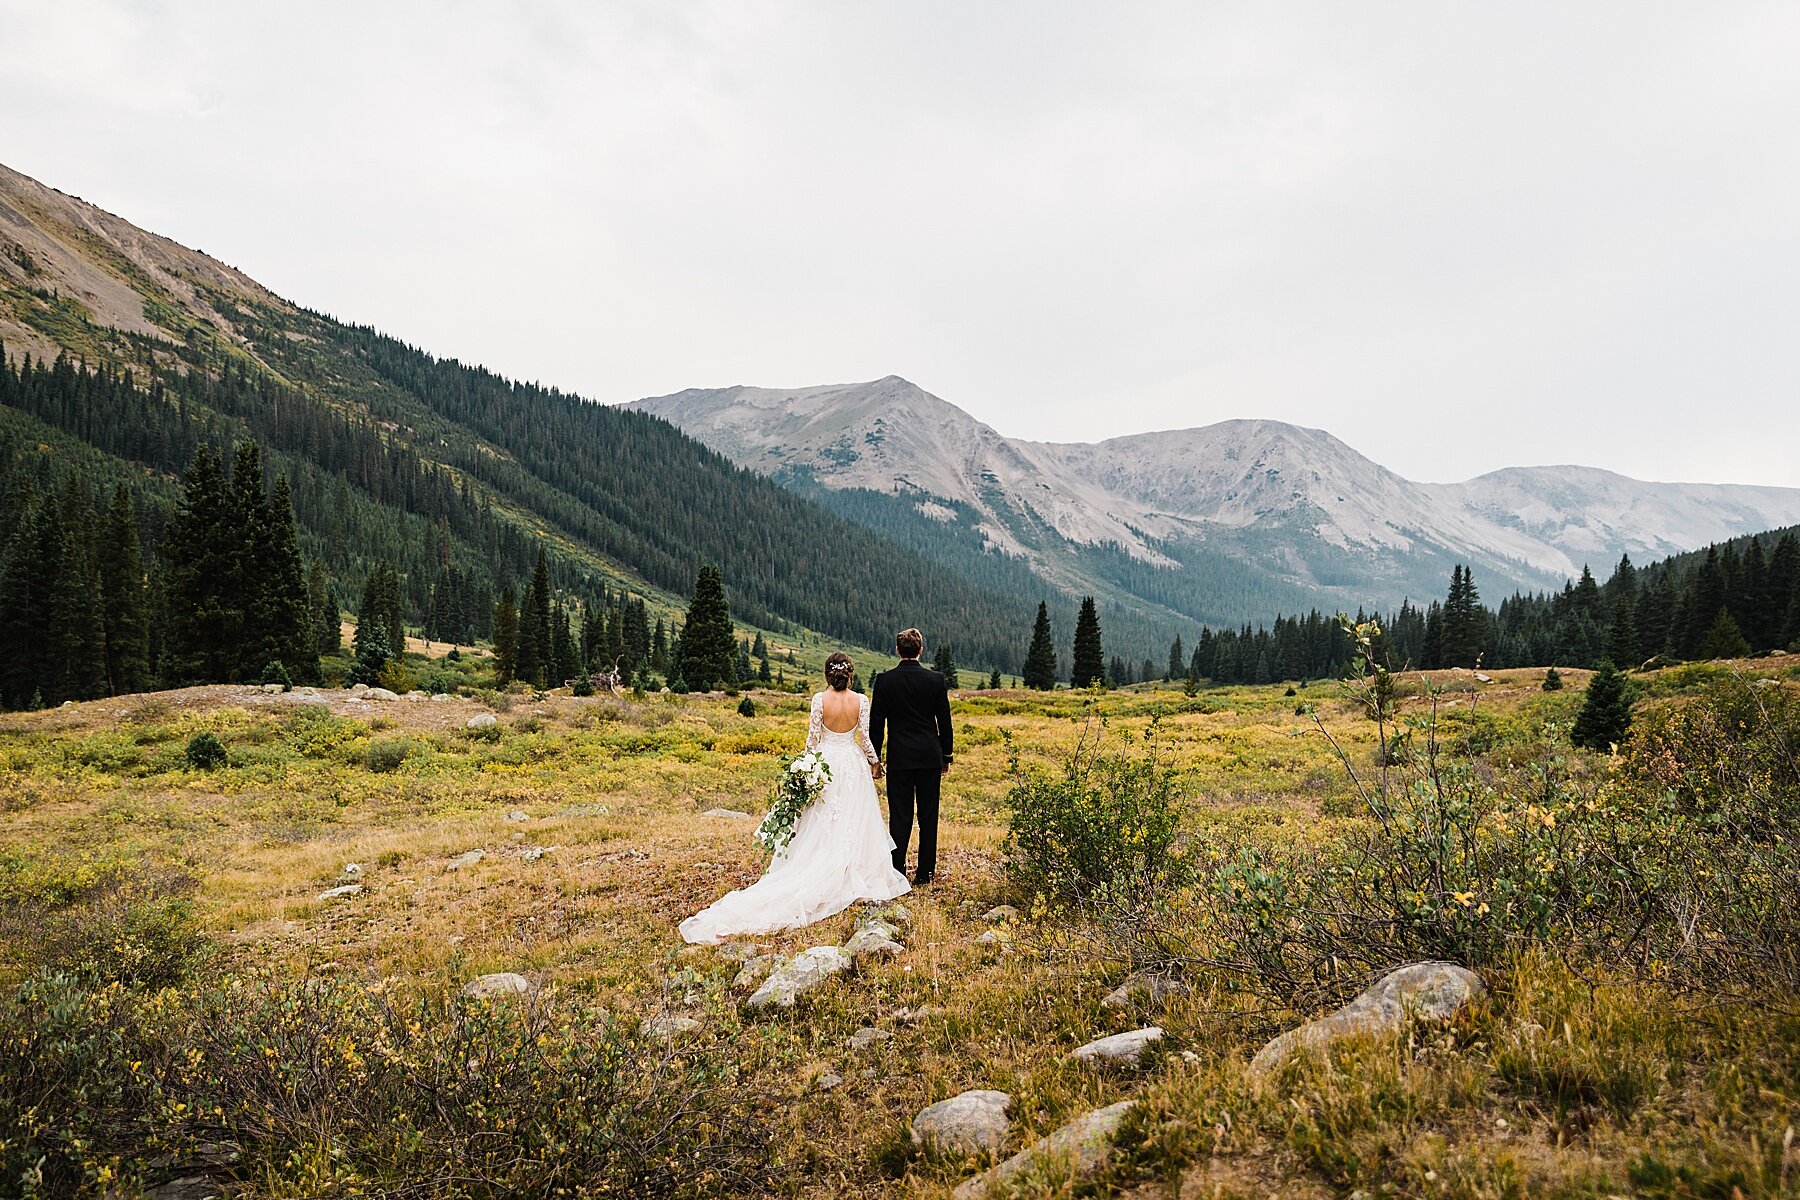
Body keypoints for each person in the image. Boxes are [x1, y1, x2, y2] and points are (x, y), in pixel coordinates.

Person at [679, 652, 909, 943]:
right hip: (852, 765)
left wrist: (806, 768)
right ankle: (852, 869)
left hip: (824, 765)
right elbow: (864, 737)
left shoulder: (818, 700)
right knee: (854, 818)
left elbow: (812, 740)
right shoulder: (861, 700)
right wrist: (874, 762)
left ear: (828, 674)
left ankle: (824, 864)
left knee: (822, 820)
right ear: (850, 674)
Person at [869, 627, 954, 886]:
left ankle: (897, 872)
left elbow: (877, 724)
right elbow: (945, 722)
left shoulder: (885, 681)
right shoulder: (935, 680)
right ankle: (925, 874)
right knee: (928, 816)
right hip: (929, 756)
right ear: (920, 649)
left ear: (897, 650)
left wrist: (876, 759)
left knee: (900, 817)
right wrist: (946, 756)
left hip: (900, 758)